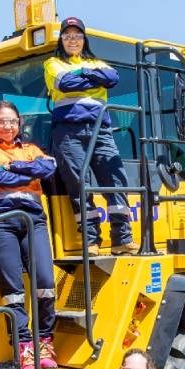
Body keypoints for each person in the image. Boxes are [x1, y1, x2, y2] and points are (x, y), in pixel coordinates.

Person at [0, 100, 59, 369]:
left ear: (19, 123)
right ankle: (24, 348)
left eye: (12, 121)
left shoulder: (31, 149)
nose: (7, 126)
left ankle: (44, 342)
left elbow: (48, 168)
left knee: (45, 281)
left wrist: (11, 168)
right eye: (1, 121)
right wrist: (24, 169)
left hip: (33, 220)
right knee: (12, 291)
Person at [43, 16, 139, 257]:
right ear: (61, 40)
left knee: (115, 179)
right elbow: (65, 83)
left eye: (77, 36)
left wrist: (84, 72)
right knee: (79, 186)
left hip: (100, 130)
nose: (72, 40)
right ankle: (90, 240)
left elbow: (113, 78)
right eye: (67, 36)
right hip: (68, 132)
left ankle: (122, 238)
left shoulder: (98, 62)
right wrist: (91, 75)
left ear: (83, 39)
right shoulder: (52, 64)